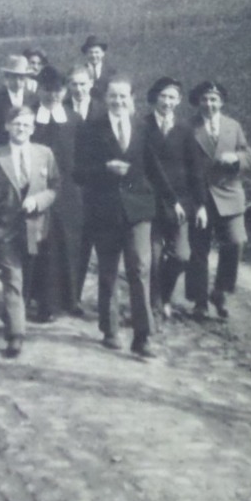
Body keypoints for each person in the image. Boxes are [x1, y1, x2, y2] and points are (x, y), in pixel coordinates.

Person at [73, 77, 172, 358]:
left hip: (139, 209)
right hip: (104, 210)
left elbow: (154, 168)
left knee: (140, 268)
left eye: (123, 96)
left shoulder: (142, 128)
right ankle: (110, 328)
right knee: (108, 271)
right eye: (113, 97)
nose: (118, 101)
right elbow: (77, 172)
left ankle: (143, 336)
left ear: (132, 98)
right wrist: (105, 168)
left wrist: (172, 200)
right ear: (105, 99)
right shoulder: (91, 129)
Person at [0, 106, 60, 358]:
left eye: (26, 125)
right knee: (12, 278)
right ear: (7, 127)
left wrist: (39, 201)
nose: (21, 129)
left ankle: (13, 315)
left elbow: (55, 186)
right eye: (16, 124)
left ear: (33, 128)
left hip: (35, 229)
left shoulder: (44, 154)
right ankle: (16, 335)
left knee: (25, 278)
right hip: (5, 229)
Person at [186, 80, 251, 320]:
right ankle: (199, 300)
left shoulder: (232, 126)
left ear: (222, 102)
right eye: (205, 99)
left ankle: (220, 291)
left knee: (235, 242)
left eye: (214, 99)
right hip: (201, 196)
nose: (209, 104)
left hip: (230, 195)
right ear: (198, 102)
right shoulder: (189, 127)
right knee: (198, 251)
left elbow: (248, 154)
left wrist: (235, 158)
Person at [31, 65, 90, 319]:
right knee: (45, 248)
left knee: (71, 245)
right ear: (39, 89)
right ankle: (46, 303)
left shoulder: (74, 119)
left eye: (58, 90)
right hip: (38, 191)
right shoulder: (31, 118)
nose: (53, 95)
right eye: (47, 90)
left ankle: (72, 298)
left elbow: (82, 156)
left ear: (64, 91)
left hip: (69, 192)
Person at [144, 77, 200, 322]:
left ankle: (165, 296)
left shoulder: (185, 129)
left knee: (181, 256)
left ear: (178, 101)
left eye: (172, 97)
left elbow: (195, 168)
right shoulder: (142, 126)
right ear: (155, 98)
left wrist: (200, 205)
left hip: (180, 203)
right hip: (150, 203)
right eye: (163, 96)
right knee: (153, 260)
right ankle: (153, 305)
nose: (167, 102)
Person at [0, 54, 37, 146]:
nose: (18, 82)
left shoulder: (33, 99)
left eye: (22, 78)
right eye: (14, 77)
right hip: (3, 146)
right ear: (6, 77)